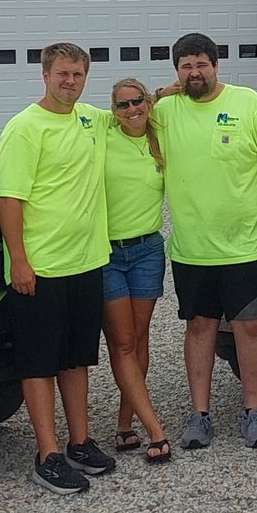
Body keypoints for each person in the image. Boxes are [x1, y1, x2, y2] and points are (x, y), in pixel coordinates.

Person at [149, 32, 257, 450]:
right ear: (176, 72)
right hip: (193, 248)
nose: (195, 72)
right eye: (186, 66)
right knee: (199, 327)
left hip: (247, 244)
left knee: (250, 327)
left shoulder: (249, 104)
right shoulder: (165, 112)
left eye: (201, 64)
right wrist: (161, 93)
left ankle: (253, 412)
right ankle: (199, 415)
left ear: (216, 65)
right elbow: (124, 113)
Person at [0, 43, 116, 494]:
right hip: (40, 268)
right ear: (45, 75)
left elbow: (135, 106)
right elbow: (10, 199)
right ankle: (47, 452)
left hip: (86, 261)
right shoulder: (25, 128)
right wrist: (18, 261)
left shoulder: (89, 119)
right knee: (39, 362)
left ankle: (79, 441)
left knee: (76, 358)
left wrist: (174, 86)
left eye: (78, 75)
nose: (70, 82)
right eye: (62, 74)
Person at [98, 77, 173, 464]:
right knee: (123, 342)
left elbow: (166, 101)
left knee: (140, 339)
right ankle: (154, 430)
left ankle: (125, 422)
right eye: (122, 105)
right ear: (113, 111)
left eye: (137, 102)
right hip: (107, 253)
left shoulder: (158, 138)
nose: (131, 110)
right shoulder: (101, 131)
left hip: (147, 250)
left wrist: (161, 95)